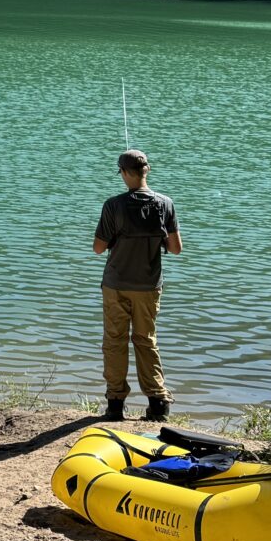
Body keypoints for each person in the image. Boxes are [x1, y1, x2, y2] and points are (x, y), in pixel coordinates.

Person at [93, 149, 182, 422]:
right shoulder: (165, 203)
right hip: (149, 286)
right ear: (147, 170)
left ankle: (115, 405)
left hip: (116, 285)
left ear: (124, 173)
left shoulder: (113, 205)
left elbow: (98, 248)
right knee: (146, 342)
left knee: (115, 342)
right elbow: (176, 249)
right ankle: (158, 404)